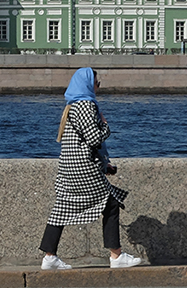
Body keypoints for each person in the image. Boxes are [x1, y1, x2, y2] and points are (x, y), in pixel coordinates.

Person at [39, 67, 143, 270]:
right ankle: (116, 256)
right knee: (111, 203)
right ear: (88, 84)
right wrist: (105, 126)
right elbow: (94, 138)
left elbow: (81, 141)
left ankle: (49, 257)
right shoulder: (86, 105)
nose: (98, 87)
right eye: (97, 83)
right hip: (83, 168)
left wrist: (105, 164)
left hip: (68, 167)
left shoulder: (71, 106)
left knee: (62, 208)